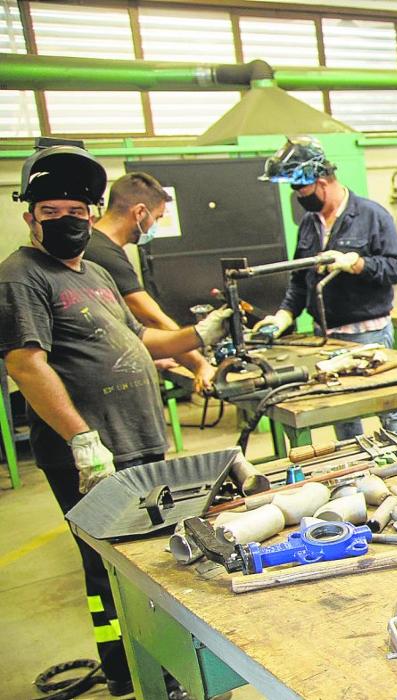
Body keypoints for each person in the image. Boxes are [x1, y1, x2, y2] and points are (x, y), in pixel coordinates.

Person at [0, 142, 232, 696]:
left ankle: (161, 663)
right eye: (51, 212)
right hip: (95, 454)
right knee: (109, 568)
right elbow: (25, 363)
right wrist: (83, 440)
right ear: (30, 218)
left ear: (90, 215)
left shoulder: (96, 272)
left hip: (139, 443)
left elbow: (141, 338)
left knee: (152, 561)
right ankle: (129, 668)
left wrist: (197, 336)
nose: (66, 221)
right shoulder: (21, 276)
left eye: (76, 211)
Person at [254, 136, 397, 441]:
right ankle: (357, 465)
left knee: (389, 407)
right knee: (342, 411)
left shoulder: (371, 215)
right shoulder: (309, 224)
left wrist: (357, 264)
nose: (298, 196)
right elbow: (300, 280)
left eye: (302, 189)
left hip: (368, 334)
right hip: (326, 335)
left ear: (323, 181)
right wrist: (284, 315)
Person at [84, 171, 216, 394]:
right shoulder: (103, 254)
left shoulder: (94, 244)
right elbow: (152, 319)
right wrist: (199, 364)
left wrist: (150, 354)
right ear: (139, 212)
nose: (156, 225)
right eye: (158, 217)